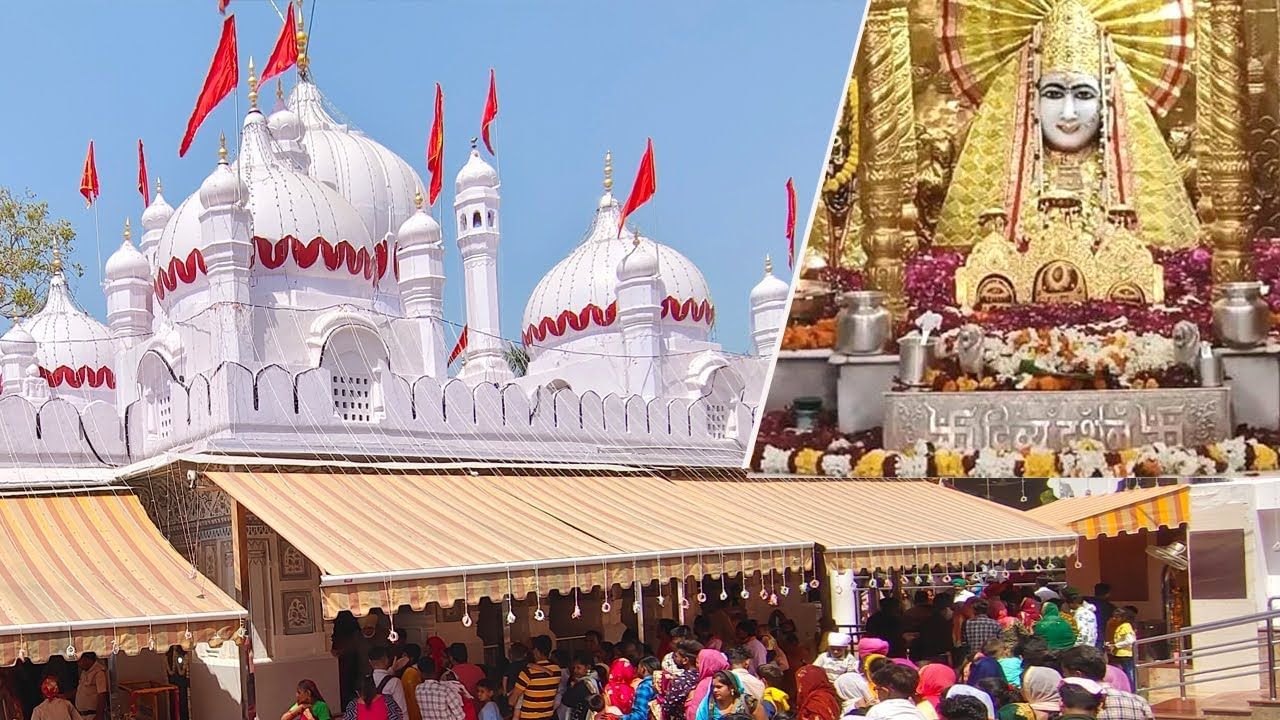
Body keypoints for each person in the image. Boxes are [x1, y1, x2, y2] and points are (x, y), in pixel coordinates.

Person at [1058, 645, 1152, 720]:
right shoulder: (1138, 702)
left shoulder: (1070, 705)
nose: (1064, 677)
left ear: (1078, 674)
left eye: (1065, 673)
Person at [511, 636, 562, 720]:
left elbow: (512, 701)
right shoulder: (557, 670)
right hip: (548, 717)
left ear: (536, 651)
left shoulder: (528, 672)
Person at [661, 640, 705, 720]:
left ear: (685, 660)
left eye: (676, 656)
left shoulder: (682, 681)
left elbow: (667, 706)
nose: (674, 659)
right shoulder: (703, 677)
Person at [699, 670, 765, 720]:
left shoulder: (749, 702)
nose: (715, 690)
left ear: (731, 688)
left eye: (719, 687)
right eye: (713, 687)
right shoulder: (708, 704)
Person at [686, 650, 733, 720]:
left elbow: (694, 711)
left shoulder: (705, 683)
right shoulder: (729, 678)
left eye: (699, 662)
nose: (697, 666)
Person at [563, 653, 604, 720]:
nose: (575, 671)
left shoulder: (584, 684)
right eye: (574, 668)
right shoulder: (596, 679)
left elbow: (566, 700)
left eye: (578, 668)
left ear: (588, 667)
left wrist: (572, 686)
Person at [370, 647, 408, 718]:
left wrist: (392, 669)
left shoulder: (365, 681)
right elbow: (402, 710)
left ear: (369, 661)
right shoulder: (395, 682)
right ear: (387, 660)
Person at [1107, 610, 1136, 693]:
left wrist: (1116, 645)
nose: (1114, 619)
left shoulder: (1126, 626)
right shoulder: (1119, 626)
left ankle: (1132, 690)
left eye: (1117, 617)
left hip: (1125, 654)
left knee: (1129, 673)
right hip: (1119, 654)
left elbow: (1130, 640)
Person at [74, 653, 109, 720]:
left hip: (92, 715)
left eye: (79, 661)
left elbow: (102, 694)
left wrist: (99, 715)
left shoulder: (99, 672)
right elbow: (81, 690)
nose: (78, 664)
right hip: (81, 716)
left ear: (86, 659)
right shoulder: (84, 672)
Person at [399, 646, 425, 720]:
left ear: (411, 658)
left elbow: (411, 697)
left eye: (404, 655)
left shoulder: (410, 672)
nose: (401, 658)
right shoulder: (414, 671)